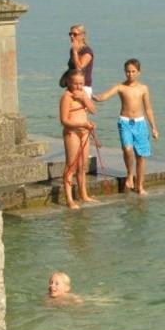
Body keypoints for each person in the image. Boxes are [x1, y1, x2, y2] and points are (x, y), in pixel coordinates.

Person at [95, 59, 158, 195]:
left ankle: (140, 186)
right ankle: (130, 175)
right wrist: (91, 97)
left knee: (141, 156)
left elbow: (148, 109)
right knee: (127, 149)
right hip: (125, 122)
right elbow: (104, 96)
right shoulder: (120, 87)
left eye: (133, 71)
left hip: (140, 123)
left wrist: (154, 127)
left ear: (139, 72)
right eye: (128, 71)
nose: (130, 74)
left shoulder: (143, 88)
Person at [59, 69, 100, 209]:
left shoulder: (83, 94)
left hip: (85, 133)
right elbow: (64, 120)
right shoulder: (67, 97)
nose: (78, 86)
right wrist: (83, 124)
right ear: (69, 82)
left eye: (81, 83)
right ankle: (69, 199)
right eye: (75, 83)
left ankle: (84, 195)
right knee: (71, 166)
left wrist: (84, 98)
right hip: (72, 133)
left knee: (83, 165)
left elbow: (93, 110)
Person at [67, 24, 95, 96]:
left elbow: (79, 68)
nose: (72, 36)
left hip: (83, 86)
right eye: (70, 34)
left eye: (75, 34)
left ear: (83, 35)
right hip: (72, 85)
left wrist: (75, 52)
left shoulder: (87, 51)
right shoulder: (73, 50)